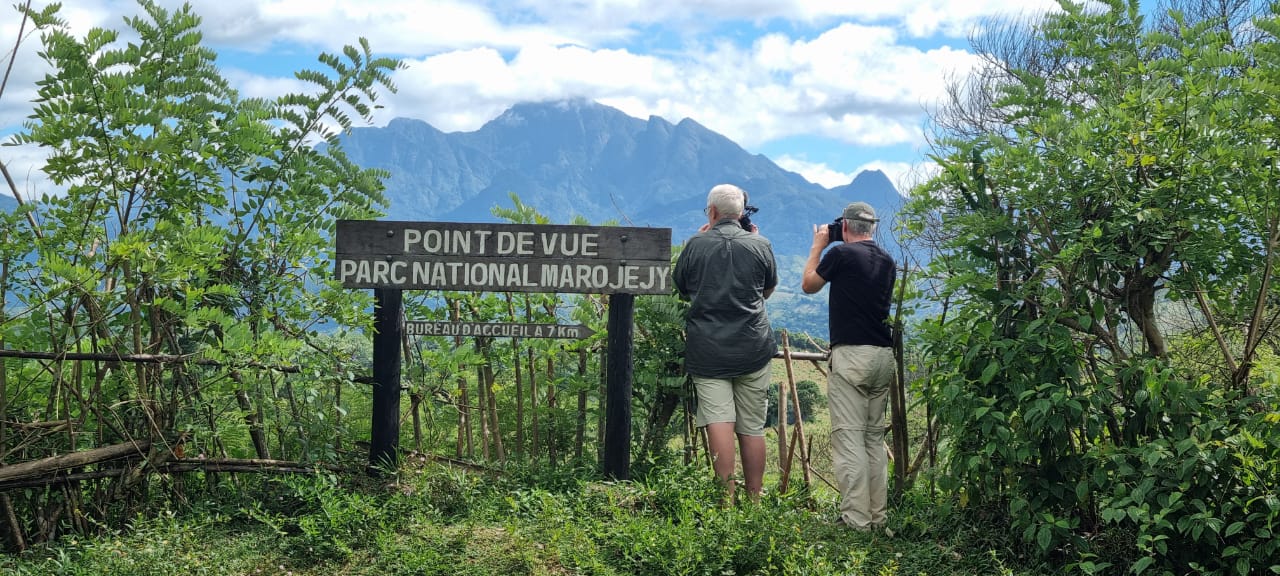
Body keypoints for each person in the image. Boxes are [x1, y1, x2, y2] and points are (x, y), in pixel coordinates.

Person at [674, 183, 778, 500]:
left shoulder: (696, 244)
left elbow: (681, 288)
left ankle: (725, 500)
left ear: (713, 211)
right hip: (753, 346)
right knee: (752, 427)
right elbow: (767, 290)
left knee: (719, 420)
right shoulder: (761, 244)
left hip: (708, 348)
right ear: (741, 213)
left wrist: (700, 239)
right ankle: (755, 500)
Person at [801, 201, 896, 531]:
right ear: (872, 227)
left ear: (845, 227)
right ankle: (877, 518)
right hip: (883, 357)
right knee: (872, 441)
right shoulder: (887, 261)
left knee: (849, 440)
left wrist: (817, 247)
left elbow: (809, 284)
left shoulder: (840, 256)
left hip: (852, 356)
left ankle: (856, 521)